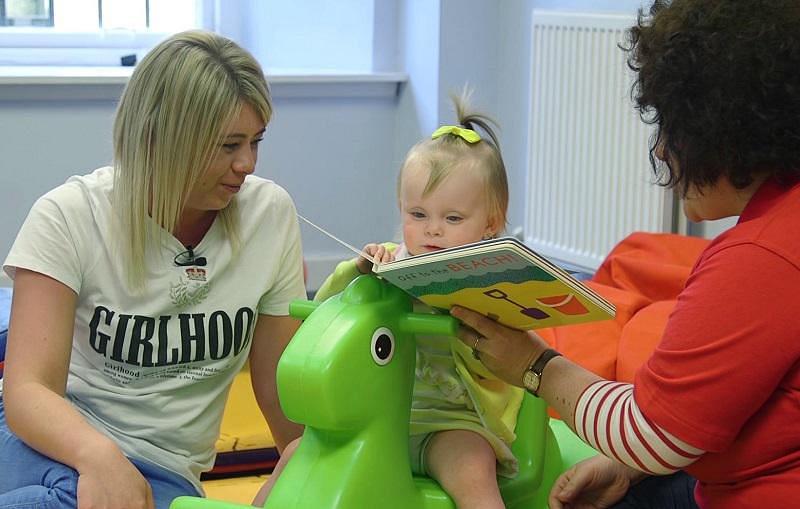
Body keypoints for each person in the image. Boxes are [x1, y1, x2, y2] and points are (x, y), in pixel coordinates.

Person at [450, 1, 800, 508]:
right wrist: (630, 466)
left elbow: (651, 429)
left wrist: (535, 364)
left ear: (722, 127)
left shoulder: (760, 259)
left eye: (671, 127)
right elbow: (726, 406)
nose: (661, 150)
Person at [0, 30, 306, 509]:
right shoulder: (68, 214)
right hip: (51, 438)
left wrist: (303, 460)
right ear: (160, 138)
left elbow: (276, 386)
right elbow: (27, 390)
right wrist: (96, 456)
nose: (246, 163)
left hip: (162, 470)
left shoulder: (270, 216)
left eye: (256, 141)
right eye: (228, 145)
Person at [254, 92, 522, 509]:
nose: (433, 231)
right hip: (375, 416)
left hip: (450, 423)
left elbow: (504, 357)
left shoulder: (487, 281)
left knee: (472, 471)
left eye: (452, 219)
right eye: (418, 215)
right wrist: (357, 273)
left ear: (491, 221)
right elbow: (326, 315)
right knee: (295, 455)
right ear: (401, 209)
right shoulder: (387, 261)